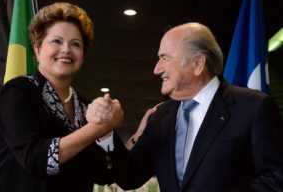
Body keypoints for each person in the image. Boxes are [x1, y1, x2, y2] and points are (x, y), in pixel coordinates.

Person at [90, 22, 283, 191]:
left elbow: (277, 178)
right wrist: (107, 133)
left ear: (198, 63)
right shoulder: (159, 118)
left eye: (164, 58)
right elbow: (131, 176)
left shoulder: (253, 108)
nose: (156, 69)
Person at [0, 2, 123, 192]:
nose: (66, 49)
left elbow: (102, 173)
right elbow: (38, 159)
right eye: (56, 41)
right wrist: (100, 127)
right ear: (38, 50)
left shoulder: (85, 107)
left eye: (76, 44)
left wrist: (133, 134)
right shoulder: (17, 92)